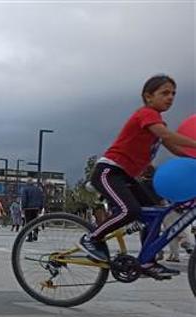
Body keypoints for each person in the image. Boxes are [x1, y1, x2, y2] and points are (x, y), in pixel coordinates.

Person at [78, 75, 196, 278]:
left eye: (174, 94)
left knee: (156, 214)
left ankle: (147, 261)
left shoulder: (158, 123)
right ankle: (91, 238)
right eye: (165, 93)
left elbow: (175, 148)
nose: (170, 98)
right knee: (129, 210)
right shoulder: (146, 114)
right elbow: (168, 136)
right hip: (109, 171)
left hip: (125, 176)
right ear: (148, 97)